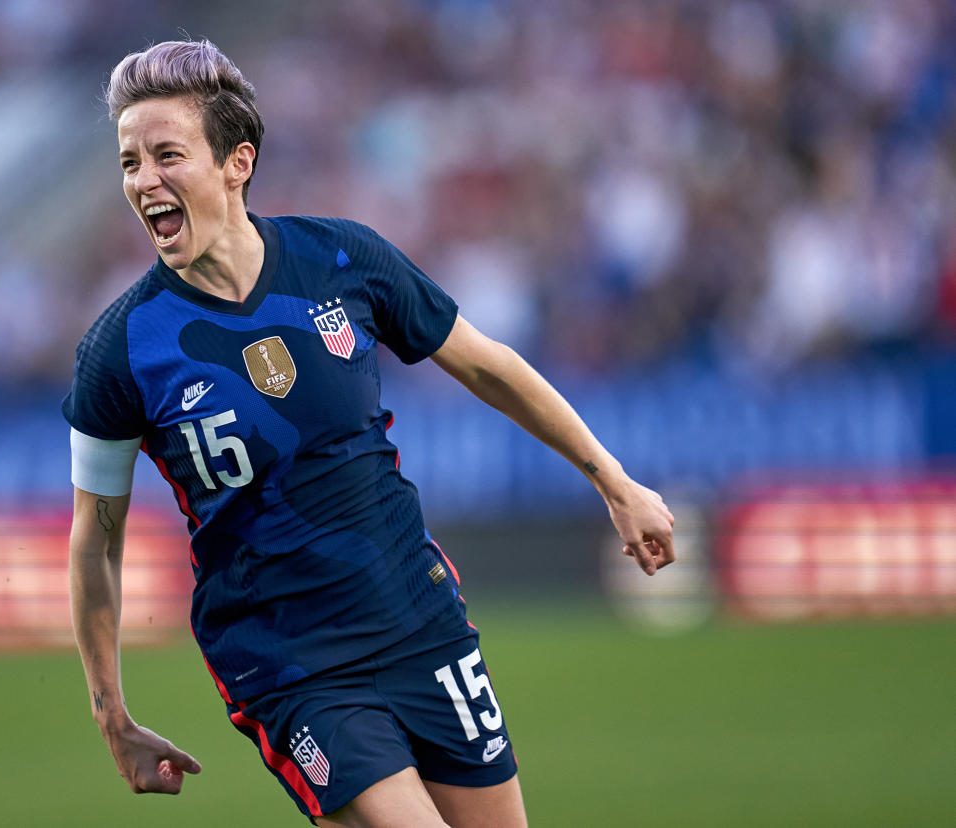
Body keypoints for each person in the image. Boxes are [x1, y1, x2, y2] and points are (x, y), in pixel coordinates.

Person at [64, 39, 675, 828]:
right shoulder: (121, 350)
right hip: (291, 665)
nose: (143, 181)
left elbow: (486, 365)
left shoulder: (342, 258)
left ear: (235, 163)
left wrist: (614, 482)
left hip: (419, 621)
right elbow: (95, 540)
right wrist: (111, 716)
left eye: (166, 155)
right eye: (128, 163)